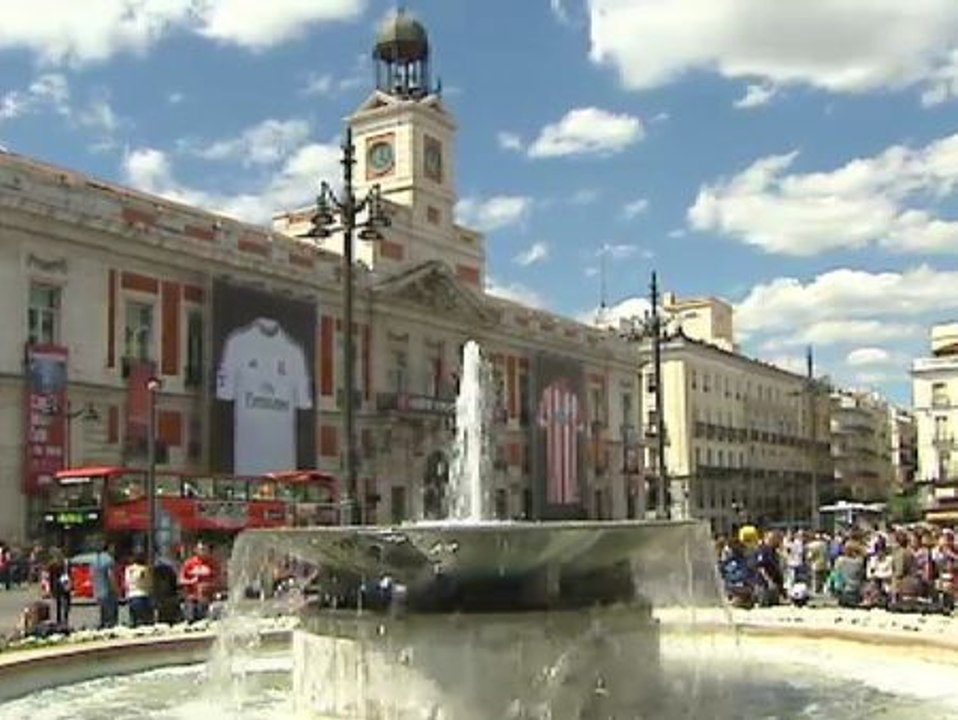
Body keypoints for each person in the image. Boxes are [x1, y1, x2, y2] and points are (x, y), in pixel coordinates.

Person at [179, 542, 221, 623]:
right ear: (196, 550)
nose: (203, 551)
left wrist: (209, 585)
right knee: (190, 618)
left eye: (205, 549)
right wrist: (191, 581)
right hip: (192, 597)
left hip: (208, 598)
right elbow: (181, 580)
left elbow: (218, 580)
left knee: (204, 620)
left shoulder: (213, 563)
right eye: (201, 549)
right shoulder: (189, 563)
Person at [90, 542, 119, 629]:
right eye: (113, 548)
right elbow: (111, 576)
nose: (114, 550)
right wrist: (116, 589)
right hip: (108, 592)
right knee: (111, 618)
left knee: (103, 616)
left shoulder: (94, 560)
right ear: (109, 548)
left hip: (98, 592)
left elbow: (91, 575)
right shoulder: (109, 559)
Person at [124, 551, 153, 627]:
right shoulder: (144, 569)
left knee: (134, 621)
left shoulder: (128, 569)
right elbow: (149, 583)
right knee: (145, 622)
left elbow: (126, 583)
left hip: (131, 595)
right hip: (143, 595)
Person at [45, 548, 72, 627]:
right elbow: (50, 577)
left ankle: (64, 619)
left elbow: (69, 573)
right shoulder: (53, 564)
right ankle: (60, 620)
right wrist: (50, 588)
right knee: (59, 604)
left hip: (64, 583)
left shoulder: (66, 562)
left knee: (65, 603)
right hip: (58, 585)